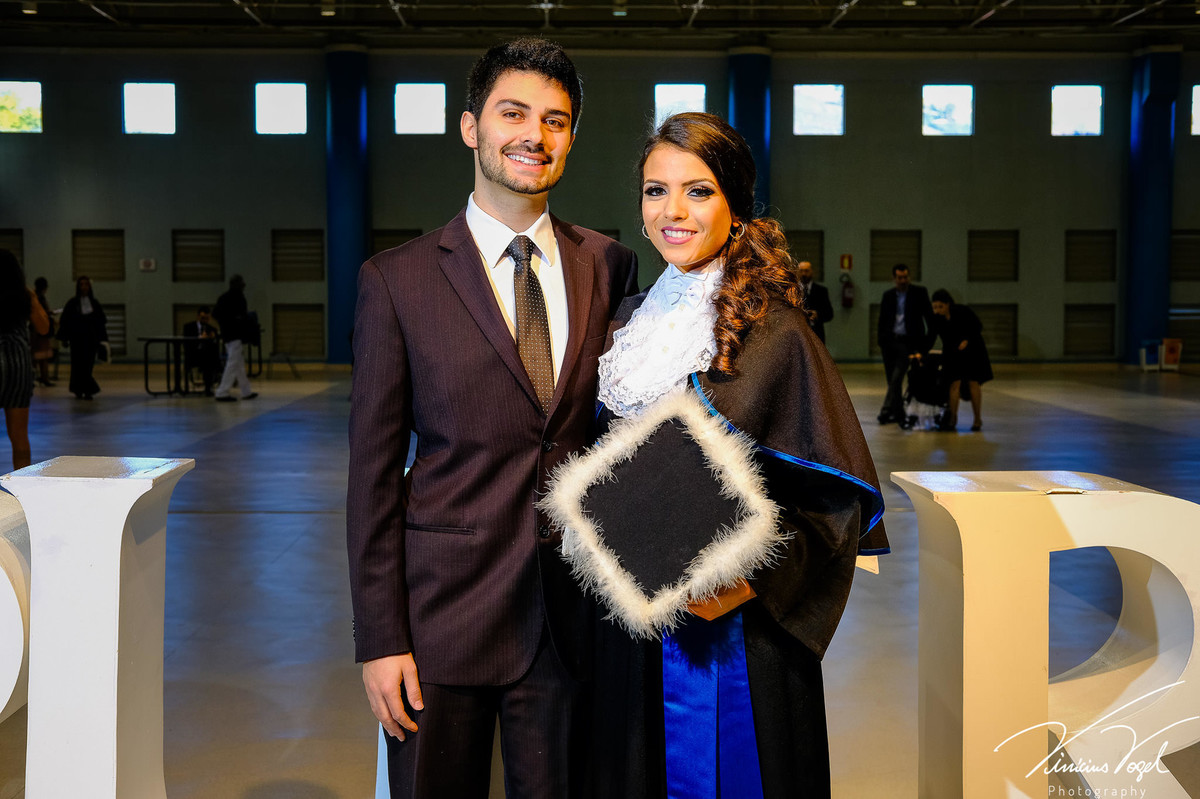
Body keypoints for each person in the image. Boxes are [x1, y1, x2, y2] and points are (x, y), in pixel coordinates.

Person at [346, 38, 639, 799]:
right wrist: (381, 640)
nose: (534, 136)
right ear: (471, 126)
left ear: (572, 137)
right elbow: (372, 480)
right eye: (513, 113)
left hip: (570, 620)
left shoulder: (608, 265)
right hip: (441, 622)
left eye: (555, 120)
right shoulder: (396, 279)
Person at [577, 112, 887, 799]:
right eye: (656, 191)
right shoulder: (627, 321)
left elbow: (833, 497)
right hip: (629, 623)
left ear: (736, 205)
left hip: (734, 635)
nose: (672, 211)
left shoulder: (774, 328)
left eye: (698, 191)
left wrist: (748, 579)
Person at [0, 250, 51, 469]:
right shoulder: (25, 295)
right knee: (19, 437)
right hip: (17, 364)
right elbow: (44, 327)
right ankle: (20, 491)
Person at [876, 262, 934, 428]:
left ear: (909, 277)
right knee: (891, 381)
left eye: (905, 277)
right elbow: (882, 320)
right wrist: (881, 340)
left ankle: (895, 414)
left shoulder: (919, 293)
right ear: (894, 278)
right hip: (889, 342)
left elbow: (929, 318)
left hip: (907, 343)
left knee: (896, 379)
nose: (903, 280)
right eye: (900, 277)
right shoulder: (888, 296)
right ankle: (891, 412)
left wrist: (925, 346)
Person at [930, 288, 992, 431]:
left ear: (948, 304)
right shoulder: (937, 319)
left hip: (972, 351)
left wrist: (966, 339)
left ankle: (977, 419)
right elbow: (931, 337)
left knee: (973, 383)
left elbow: (977, 326)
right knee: (954, 384)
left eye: (940, 306)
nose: (937, 310)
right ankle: (953, 418)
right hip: (953, 353)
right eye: (935, 307)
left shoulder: (962, 311)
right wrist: (920, 352)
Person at [56, 275, 108, 400]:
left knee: (88, 365)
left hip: (91, 340)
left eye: (86, 284)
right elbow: (65, 321)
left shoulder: (94, 304)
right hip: (77, 340)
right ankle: (81, 389)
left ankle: (86, 389)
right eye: (82, 284)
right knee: (78, 365)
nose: (84, 287)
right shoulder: (72, 303)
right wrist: (64, 338)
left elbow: (100, 322)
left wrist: (102, 340)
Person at [212, 275, 257, 402]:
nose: (244, 285)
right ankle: (222, 392)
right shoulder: (238, 298)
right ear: (237, 284)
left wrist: (225, 324)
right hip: (235, 334)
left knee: (238, 364)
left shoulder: (224, 297)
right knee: (232, 363)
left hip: (227, 334)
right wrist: (235, 321)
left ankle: (246, 390)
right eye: (242, 283)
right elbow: (242, 316)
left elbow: (215, 314)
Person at [182, 306, 221, 395]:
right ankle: (218, 371)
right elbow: (187, 343)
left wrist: (213, 338)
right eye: (203, 318)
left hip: (207, 356)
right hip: (193, 354)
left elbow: (216, 344)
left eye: (207, 318)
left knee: (210, 357)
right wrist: (199, 338)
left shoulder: (212, 329)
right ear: (198, 316)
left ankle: (209, 386)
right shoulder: (188, 327)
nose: (205, 320)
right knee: (209, 359)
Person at [796, 259, 833, 343]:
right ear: (797, 272)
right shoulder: (793, 291)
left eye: (806, 271)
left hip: (816, 333)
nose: (804, 274)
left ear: (812, 272)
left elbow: (829, 314)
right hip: (798, 332)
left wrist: (817, 315)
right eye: (801, 271)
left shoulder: (821, 291)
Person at [29, 276, 55, 387]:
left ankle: (34, 378)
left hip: (35, 330)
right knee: (42, 357)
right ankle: (44, 378)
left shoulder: (33, 297)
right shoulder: (39, 298)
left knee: (35, 356)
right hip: (40, 330)